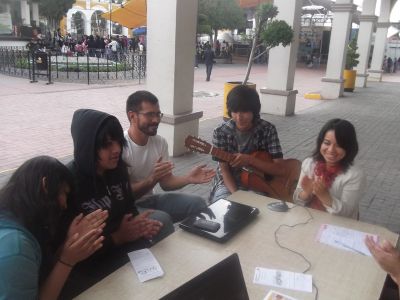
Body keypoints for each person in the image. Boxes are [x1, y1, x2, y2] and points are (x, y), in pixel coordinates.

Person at [63, 109, 174, 297]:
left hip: (123, 245)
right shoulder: (69, 184)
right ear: (87, 146)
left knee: (166, 266)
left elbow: (128, 206)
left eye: (118, 141)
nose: (116, 149)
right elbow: (72, 251)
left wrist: (138, 225)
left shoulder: (117, 169)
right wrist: (118, 237)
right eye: (106, 145)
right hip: (91, 263)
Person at [0, 156, 106, 299]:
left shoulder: (14, 217)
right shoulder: (16, 249)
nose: (65, 205)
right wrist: (67, 261)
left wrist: (67, 245)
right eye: (64, 193)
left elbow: (41, 274)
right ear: (45, 186)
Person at [123, 90, 215, 223]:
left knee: (197, 203)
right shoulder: (121, 147)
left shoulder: (160, 142)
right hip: (128, 208)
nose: (156, 120)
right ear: (132, 116)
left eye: (158, 114)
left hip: (151, 200)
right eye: (150, 114)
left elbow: (166, 183)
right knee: (163, 220)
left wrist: (187, 178)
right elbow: (124, 196)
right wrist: (152, 179)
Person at [209, 85, 284, 202]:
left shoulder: (267, 129)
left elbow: (280, 168)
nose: (239, 117)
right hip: (227, 182)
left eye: (244, 111)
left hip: (259, 181)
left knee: (260, 209)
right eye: (235, 111)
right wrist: (237, 196)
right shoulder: (220, 132)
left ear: (254, 111)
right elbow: (224, 170)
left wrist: (250, 160)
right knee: (222, 206)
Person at [293, 119, 366, 219]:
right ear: (320, 142)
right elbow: (297, 199)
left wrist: (324, 196)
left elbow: (348, 213)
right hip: (308, 219)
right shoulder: (309, 164)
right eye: (327, 143)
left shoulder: (354, 175)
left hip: (338, 227)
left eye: (339, 146)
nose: (331, 150)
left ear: (349, 147)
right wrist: (306, 193)